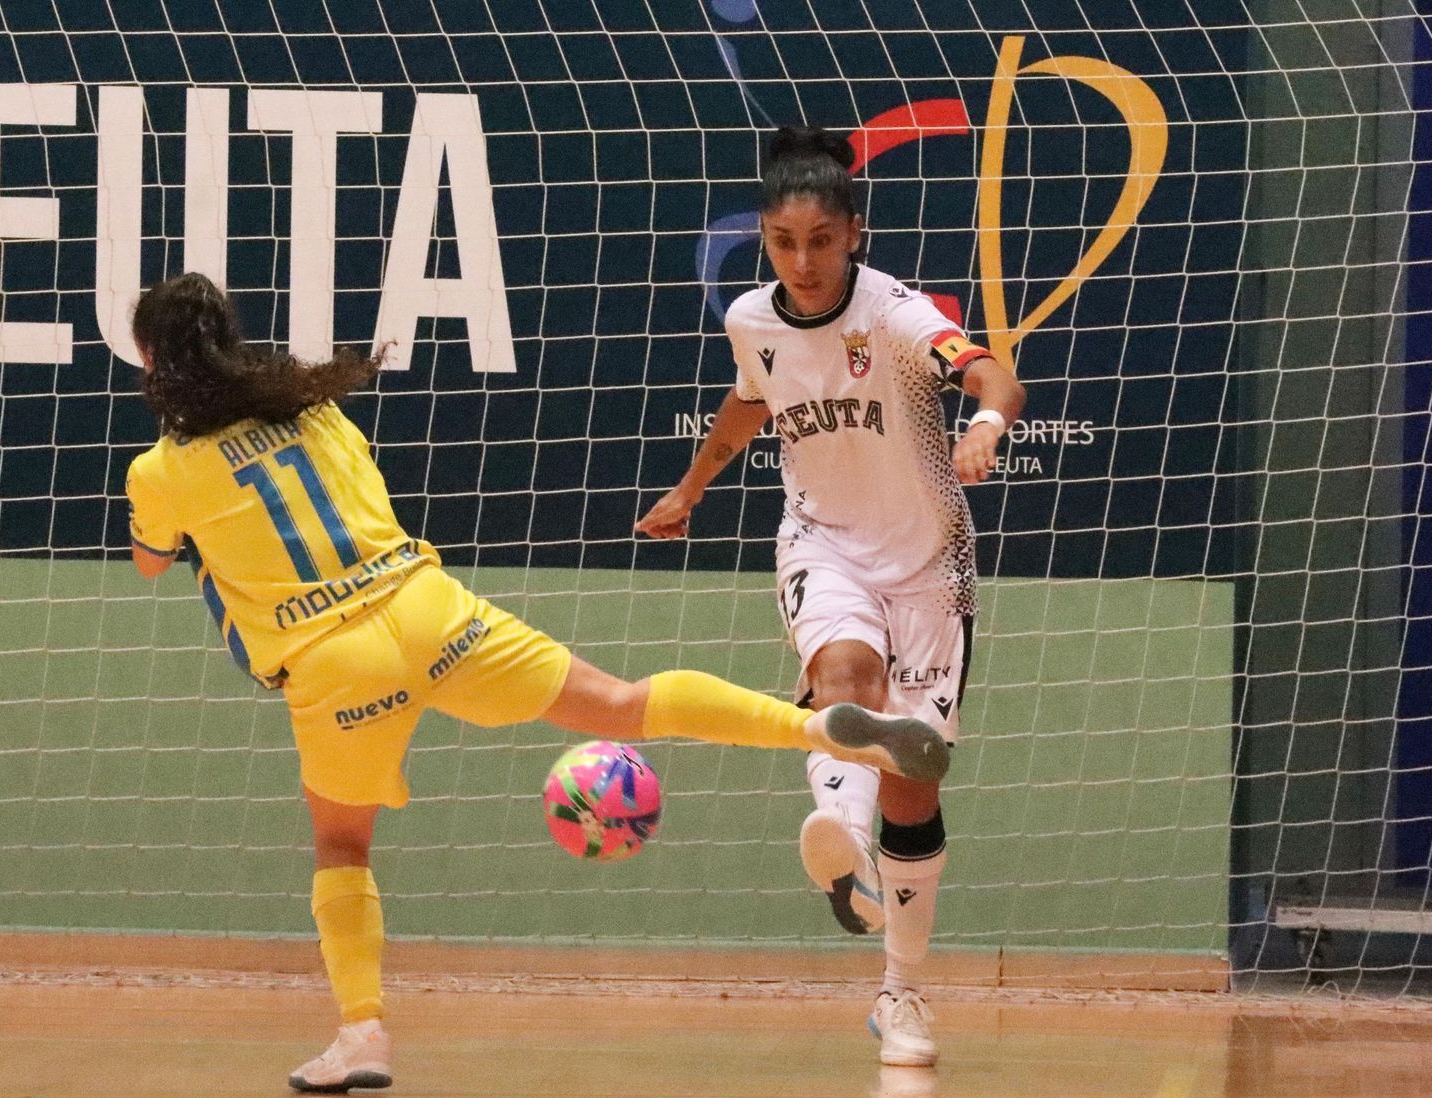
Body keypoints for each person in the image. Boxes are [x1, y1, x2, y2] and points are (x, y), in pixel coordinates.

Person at [123, 272, 952, 1094]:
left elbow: (153, 561)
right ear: (232, 342)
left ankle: (362, 1033)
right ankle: (815, 727)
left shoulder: (158, 471)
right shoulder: (315, 410)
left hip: (336, 663)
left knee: (343, 845)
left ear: (153, 361)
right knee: (624, 705)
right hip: (426, 609)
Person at [635, 125, 1025, 1068]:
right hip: (825, 542)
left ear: (853, 232)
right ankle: (840, 844)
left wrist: (981, 424)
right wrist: (691, 488)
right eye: (779, 241)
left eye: (818, 240)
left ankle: (902, 992)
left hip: (932, 563)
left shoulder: (895, 316)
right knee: (842, 677)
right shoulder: (752, 320)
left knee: (913, 778)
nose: (799, 261)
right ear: (764, 240)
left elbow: (991, 371)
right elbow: (750, 399)